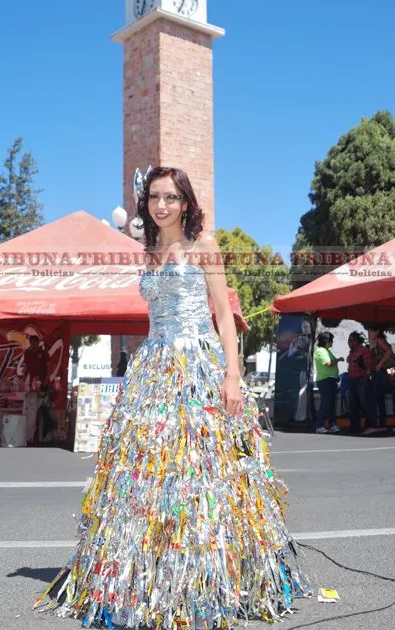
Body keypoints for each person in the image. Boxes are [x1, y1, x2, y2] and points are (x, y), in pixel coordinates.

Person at [34, 167, 311, 628]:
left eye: (170, 197)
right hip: (153, 373)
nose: (161, 205)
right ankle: (150, 578)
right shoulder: (150, 253)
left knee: (203, 473)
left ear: (186, 203)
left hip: (198, 368)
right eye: (154, 197)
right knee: (149, 478)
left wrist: (232, 374)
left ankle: (215, 577)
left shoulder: (204, 247)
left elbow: (224, 315)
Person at [346, 331, 376, 435]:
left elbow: (368, 366)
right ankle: (355, 426)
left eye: (352, 340)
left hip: (361, 380)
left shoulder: (363, 350)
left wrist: (367, 379)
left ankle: (370, 425)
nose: (349, 342)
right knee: (353, 404)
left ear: (357, 341)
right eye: (349, 340)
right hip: (352, 380)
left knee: (365, 403)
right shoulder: (352, 351)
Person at [313, 331, 343, 434]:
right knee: (325, 403)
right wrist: (338, 360)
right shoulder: (320, 351)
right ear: (326, 341)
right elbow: (329, 363)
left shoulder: (326, 351)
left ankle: (332, 424)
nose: (332, 342)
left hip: (331, 380)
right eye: (331, 341)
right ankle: (319, 425)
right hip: (325, 380)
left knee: (331, 404)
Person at [368, 325, 392, 431]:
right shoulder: (374, 341)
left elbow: (389, 351)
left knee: (373, 398)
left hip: (380, 373)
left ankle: (374, 425)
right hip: (378, 372)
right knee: (380, 399)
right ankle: (382, 425)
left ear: (377, 331)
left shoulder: (379, 340)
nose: (370, 332)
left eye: (372, 330)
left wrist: (380, 364)